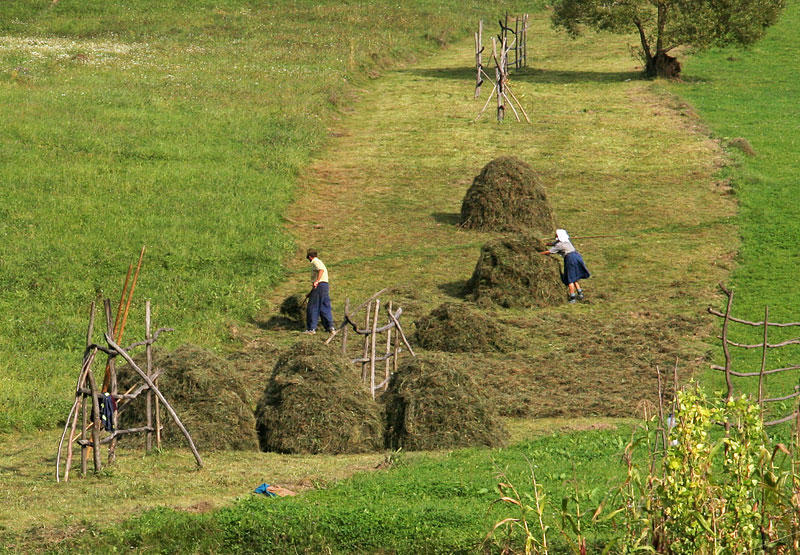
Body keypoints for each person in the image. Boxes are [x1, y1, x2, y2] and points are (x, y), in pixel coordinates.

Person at [540, 229, 590, 303]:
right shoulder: (566, 241)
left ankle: (572, 297)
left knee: (570, 278)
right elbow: (554, 243)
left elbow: (549, 251)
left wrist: (539, 253)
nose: (555, 235)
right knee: (574, 276)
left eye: (556, 234)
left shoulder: (560, 245)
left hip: (570, 259)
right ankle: (580, 293)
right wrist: (546, 244)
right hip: (577, 257)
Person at [304, 248, 335, 334]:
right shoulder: (320, 261)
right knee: (324, 307)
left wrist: (317, 281)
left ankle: (311, 329)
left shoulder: (315, 261)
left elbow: (321, 270)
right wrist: (310, 293)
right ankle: (330, 327)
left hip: (320, 285)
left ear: (310, 257)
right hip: (324, 286)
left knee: (312, 306)